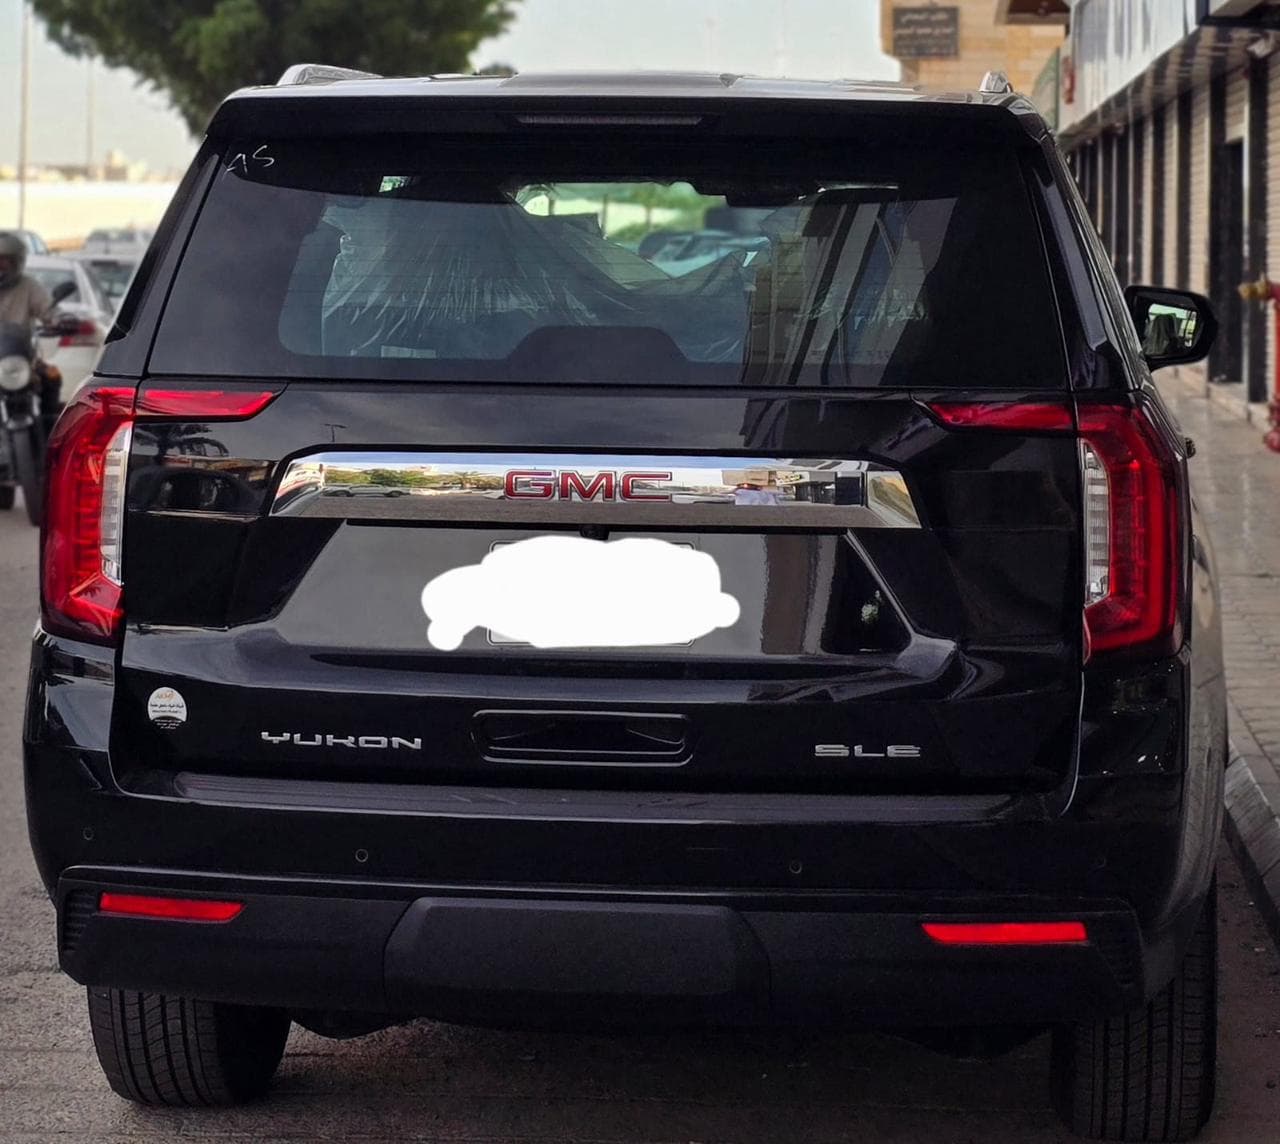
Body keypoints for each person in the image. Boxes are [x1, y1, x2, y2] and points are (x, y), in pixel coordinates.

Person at [0, 231, 63, 431]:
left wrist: (58, 319)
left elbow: (49, 309)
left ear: (18, 262)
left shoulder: (29, 286)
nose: (1, 265)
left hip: (20, 359)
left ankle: (49, 434)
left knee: (52, 377)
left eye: (5, 260)